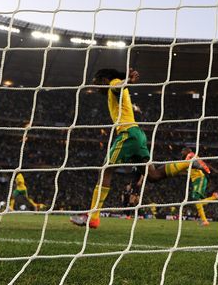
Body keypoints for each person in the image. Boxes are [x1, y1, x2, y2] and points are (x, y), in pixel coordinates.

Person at [70, 69, 204, 229]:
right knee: (153, 175)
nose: (95, 86)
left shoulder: (113, 83)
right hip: (137, 134)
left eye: (96, 82)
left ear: (105, 80)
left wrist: (127, 81)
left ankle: (93, 216)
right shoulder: (114, 93)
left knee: (106, 170)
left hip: (128, 134)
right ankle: (187, 164)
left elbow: (117, 86)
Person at [167, 147, 218, 226]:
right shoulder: (187, 159)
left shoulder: (191, 156)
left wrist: (210, 170)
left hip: (200, 178)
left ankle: (205, 220)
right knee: (197, 201)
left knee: (196, 199)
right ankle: (213, 198)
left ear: (187, 151)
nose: (182, 152)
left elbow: (201, 163)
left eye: (183, 151)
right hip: (196, 180)